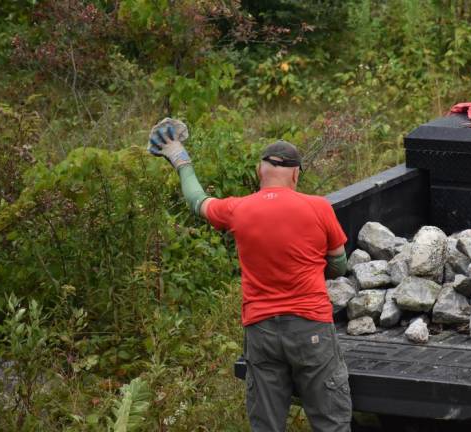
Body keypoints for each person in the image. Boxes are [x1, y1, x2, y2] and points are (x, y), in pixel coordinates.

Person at [148, 120, 353, 432]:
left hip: (262, 332)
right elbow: (340, 265)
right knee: (331, 424)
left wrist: (179, 157)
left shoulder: (238, 210)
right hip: (311, 328)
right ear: (296, 174)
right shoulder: (319, 207)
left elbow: (196, 201)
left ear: (260, 172)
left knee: (266, 426)